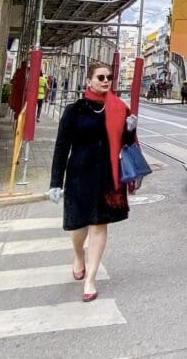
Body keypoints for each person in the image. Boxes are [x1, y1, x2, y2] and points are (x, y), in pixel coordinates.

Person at [48, 61, 137, 302]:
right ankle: (78, 254)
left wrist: (129, 129)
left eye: (109, 77)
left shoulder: (118, 108)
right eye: (100, 77)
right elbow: (61, 148)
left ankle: (90, 279)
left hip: (107, 175)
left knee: (99, 225)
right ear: (89, 81)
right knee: (79, 228)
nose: (106, 81)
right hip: (79, 175)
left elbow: (127, 144)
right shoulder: (74, 111)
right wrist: (55, 181)